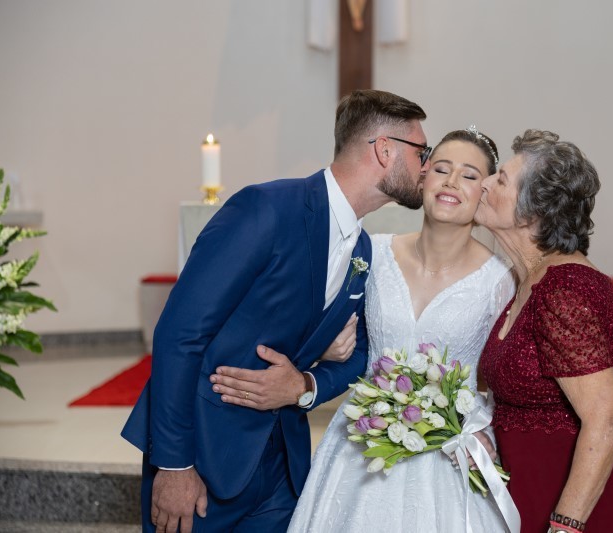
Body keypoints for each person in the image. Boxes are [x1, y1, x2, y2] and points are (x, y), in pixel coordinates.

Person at [121, 89, 431, 533]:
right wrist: (174, 466)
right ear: (384, 150)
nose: (426, 166)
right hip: (204, 455)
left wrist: (304, 385)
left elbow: (363, 352)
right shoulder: (266, 209)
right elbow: (179, 333)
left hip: (283, 466)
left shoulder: (362, 250)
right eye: (421, 151)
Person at [215, 127, 516, 532]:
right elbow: (324, 326)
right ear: (422, 177)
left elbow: (507, 376)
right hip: (363, 440)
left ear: (485, 191)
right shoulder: (373, 252)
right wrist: (320, 355)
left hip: (451, 450)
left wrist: (484, 430)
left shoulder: (500, 279)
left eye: (469, 175)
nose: (451, 182)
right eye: (442, 169)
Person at [476, 129, 613, 533]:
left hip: (601, 492)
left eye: (500, 179)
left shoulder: (564, 289)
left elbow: (607, 418)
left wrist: (566, 526)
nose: (485, 183)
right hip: (546, 484)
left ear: (531, 212)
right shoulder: (529, 280)